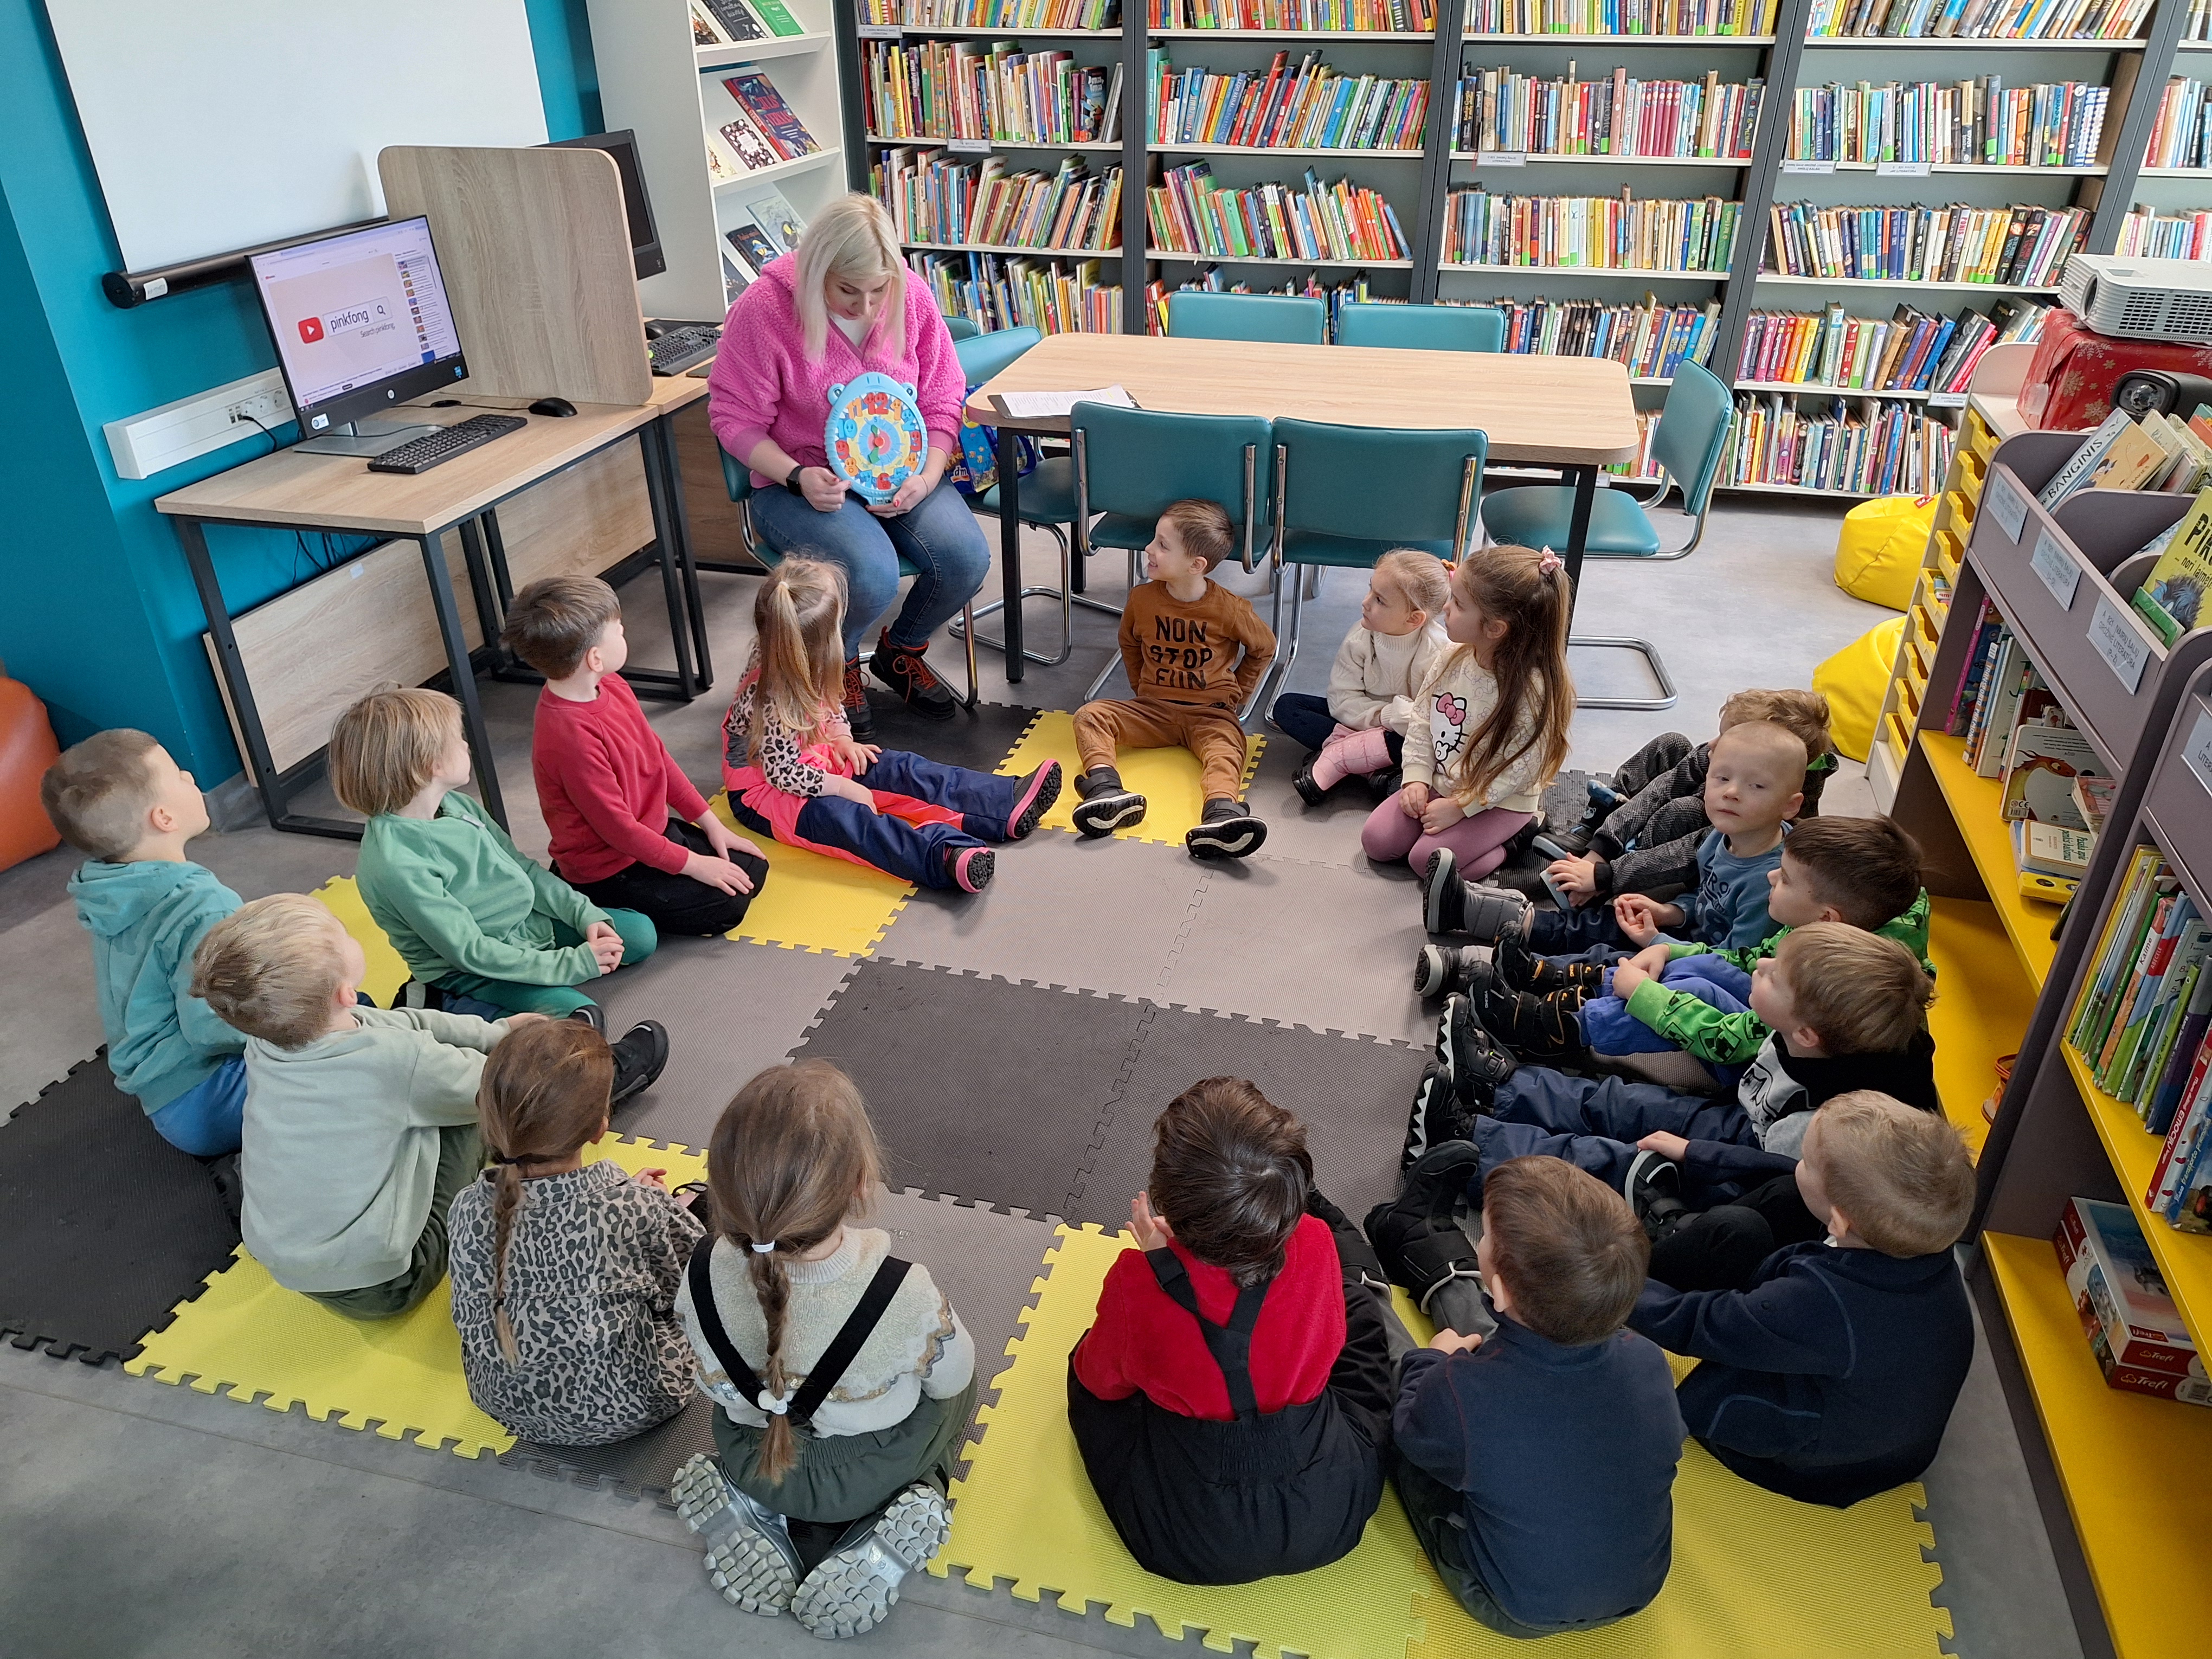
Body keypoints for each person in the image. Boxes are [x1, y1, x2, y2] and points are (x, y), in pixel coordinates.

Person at [1400, 925, 1937, 1274]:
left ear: (1807, 1034)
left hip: (1750, 1176)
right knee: (1625, 1103)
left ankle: (1470, 1147)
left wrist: (1692, 1154)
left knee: (1620, 1163)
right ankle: (1501, 1090)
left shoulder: (1824, 1122)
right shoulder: (1815, 1031)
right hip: (1744, 1124)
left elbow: (1772, 1183)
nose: (1759, 967)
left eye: (1775, 976)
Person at [669, 1062, 975, 1640]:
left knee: (750, 1401)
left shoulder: (702, 1268)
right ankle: (891, 1519)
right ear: (861, 1183)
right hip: (861, 1476)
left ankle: (754, 1509)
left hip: (754, 1458)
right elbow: (953, 1379)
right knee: (957, 1387)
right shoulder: (901, 1290)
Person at [1066, 1077, 1401, 1585]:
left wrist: (1162, 1267)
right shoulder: (1315, 1241)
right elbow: (1329, 1343)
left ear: (1166, 1201)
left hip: (1190, 1539)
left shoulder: (1135, 1285)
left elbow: (1101, 1381)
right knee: (1354, 1305)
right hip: (1330, 1512)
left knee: (1086, 1370)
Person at [706, 192, 988, 741]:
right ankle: (839, 664)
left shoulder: (911, 295)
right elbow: (734, 419)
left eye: (879, 290)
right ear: (817, 273)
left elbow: (942, 397)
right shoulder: (765, 310)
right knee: (868, 575)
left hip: (900, 473)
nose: (866, 306)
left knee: (966, 559)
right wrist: (796, 476)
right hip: (798, 483)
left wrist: (928, 476)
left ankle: (900, 651)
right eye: (848, 291)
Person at [1628, 1091, 1976, 1507]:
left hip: (1822, 1467)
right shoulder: (1915, 1241)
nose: (1799, 1164)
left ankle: (1641, 1265)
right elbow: (1794, 1174)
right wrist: (1698, 1154)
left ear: (1840, 1222)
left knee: (1698, 1395)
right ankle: (1678, 1236)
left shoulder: (1823, 1306)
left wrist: (1607, 1284)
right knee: (1784, 1196)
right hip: (1879, 1413)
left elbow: (1702, 1323)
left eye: (1806, 1161)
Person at [1390, 1157, 1684, 1639]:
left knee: (1397, 1401)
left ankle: (1365, 1279)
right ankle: (1421, 1242)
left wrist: (1432, 1360)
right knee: (1524, 1333)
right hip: (1638, 1591)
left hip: (1513, 1606)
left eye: (1483, 1236)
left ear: (1501, 1287)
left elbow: (1412, 1428)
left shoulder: (1465, 1394)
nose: (1482, 1240)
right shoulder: (1649, 1360)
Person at [192, 895, 518, 1317]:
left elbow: (400, 1023)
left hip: (296, 1271)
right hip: (390, 1282)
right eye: (343, 932)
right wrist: (528, 1051)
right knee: (468, 1114)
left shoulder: (267, 1043)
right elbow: (498, 1087)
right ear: (347, 992)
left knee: (416, 1092)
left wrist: (498, 1031)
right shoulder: (395, 1060)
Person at [1441, 814, 1930, 1071]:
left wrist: (1645, 994)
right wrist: (1665, 946)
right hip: (1756, 1026)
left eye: (1785, 879)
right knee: (1697, 968)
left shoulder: (1834, 981)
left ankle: (1552, 1030)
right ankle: (1554, 984)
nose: (1771, 876)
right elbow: (1741, 959)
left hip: (1750, 1064)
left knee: (1689, 988)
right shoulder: (1828, 931)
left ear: (1828, 917)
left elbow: (1734, 1040)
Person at [334, 689, 663, 1068]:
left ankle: (542, 977)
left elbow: (523, 869)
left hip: (526, 929)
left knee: (638, 935)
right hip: (471, 971)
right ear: (430, 765)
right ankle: (447, 1004)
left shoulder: (456, 806)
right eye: (457, 738)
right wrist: (573, 963)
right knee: (577, 1019)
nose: (466, 744)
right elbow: (471, 951)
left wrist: (584, 915)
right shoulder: (396, 863)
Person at [719, 559, 1061, 893]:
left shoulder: (810, 656)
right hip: (765, 795)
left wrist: (842, 738)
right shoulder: (769, 693)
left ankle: (1001, 803)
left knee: (904, 769)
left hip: (816, 756)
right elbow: (782, 773)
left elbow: (830, 703)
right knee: (851, 822)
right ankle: (942, 857)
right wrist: (844, 789)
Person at [447, 1019, 704, 1444]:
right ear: (600, 1128)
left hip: (503, 1404)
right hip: (636, 1405)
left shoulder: (465, 1207)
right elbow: (693, 1284)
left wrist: (629, 1204)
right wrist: (655, 1209)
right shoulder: (634, 1207)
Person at [1419, 718, 1806, 991]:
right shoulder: (1721, 837)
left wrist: (1660, 942)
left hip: (1703, 970)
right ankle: (1465, 910)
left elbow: (1733, 966)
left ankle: (1476, 972)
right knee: (1596, 924)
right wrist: (1671, 912)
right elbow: (1704, 897)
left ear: (1791, 805)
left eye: (1756, 786)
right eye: (1721, 778)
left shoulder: (1771, 881)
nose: (1732, 792)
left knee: (1601, 959)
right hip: (1683, 937)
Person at [501, 574, 770, 937]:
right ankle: (580, 895)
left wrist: (711, 824)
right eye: (618, 629)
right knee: (729, 905)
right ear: (595, 658)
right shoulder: (569, 737)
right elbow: (620, 831)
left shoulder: (610, 684)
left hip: (649, 833)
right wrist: (695, 865)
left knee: (752, 868)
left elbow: (657, 757)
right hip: (608, 866)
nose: (624, 630)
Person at [43, 730, 245, 1170]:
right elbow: (213, 1029)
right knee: (355, 1051)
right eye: (177, 774)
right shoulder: (205, 906)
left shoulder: (108, 889)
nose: (190, 776)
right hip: (215, 1102)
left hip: (164, 1102)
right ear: (164, 818)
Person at [1070, 500, 1277, 859]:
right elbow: (1129, 642)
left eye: (1163, 545)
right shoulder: (1141, 599)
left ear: (1196, 565)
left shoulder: (1230, 608)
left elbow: (1264, 647)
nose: (1149, 548)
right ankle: (1105, 790)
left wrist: (1240, 693)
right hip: (1153, 710)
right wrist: (1140, 686)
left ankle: (1221, 814)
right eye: (1155, 539)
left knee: (1227, 750)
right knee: (1090, 716)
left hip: (1211, 714)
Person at [1360, 545, 1573, 881]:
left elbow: (1516, 771)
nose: (1445, 607)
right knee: (1377, 841)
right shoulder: (1451, 657)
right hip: (1445, 780)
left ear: (1495, 628)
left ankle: (1518, 838)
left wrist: (1461, 808)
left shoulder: (1533, 692)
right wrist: (1416, 776)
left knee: (1427, 864)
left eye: (1458, 604)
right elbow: (1422, 719)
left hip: (1499, 801)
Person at [1534, 688, 1836, 883]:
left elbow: (1687, 852)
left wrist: (1607, 874)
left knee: (1685, 810)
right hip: (1649, 827)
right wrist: (1601, 847)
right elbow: (1662, 789)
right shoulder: (1717, 754)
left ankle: (1626, 858)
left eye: (1726, 738)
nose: (1713, 744)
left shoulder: (1779, 815)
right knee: (1672, 744)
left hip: (1672, 860)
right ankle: (1597, 825)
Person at [1270, 549, 1450, 806]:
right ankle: (1372, 771)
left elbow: (1437, 720)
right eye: (1370, 590)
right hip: (1364, 723)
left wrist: (1400, 721)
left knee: (1432, 745)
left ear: (1414, 619)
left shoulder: (1439, 651)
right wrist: (1384, 717)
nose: (1365, 603)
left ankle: (1345, 759)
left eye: (1380, 600)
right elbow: (1341, 700)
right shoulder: (1360, 638)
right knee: (1287, 706)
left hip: (1406, 734)